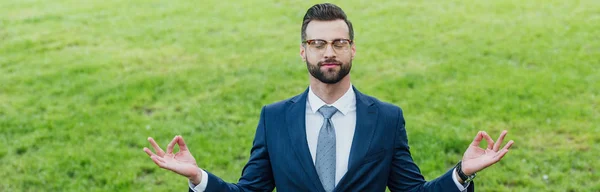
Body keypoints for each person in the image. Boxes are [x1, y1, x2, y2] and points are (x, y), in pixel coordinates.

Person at [143, 3, 514, 192]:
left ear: (352, 49)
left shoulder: (386, 118)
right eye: (318, 43)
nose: (329, 52)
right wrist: (198, 178)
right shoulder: (274, 118)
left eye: (338, 43)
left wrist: (461, 174)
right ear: (303, 51)